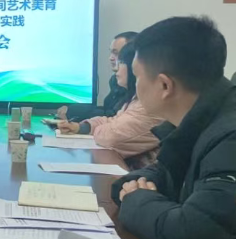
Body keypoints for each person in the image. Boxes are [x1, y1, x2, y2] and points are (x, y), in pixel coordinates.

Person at [111, 16, 236, 239]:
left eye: (137, 77)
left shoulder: (229, 136)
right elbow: (163, 172)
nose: (135, 88)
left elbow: (199, 236)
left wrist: (135, 199)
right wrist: (129, 188)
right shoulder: (198, 120)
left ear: (165, 85)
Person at [56, 41, 165, 169]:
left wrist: (100, 129)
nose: (116, 66)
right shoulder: (136, 99)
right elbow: (113, 121)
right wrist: (81, 127)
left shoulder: (151, 106)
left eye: (122, 61)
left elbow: (111, 137)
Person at [58, 31, 138, 122]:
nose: (111, 58)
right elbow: (107, 111)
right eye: (111, 52)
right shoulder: (115, 81)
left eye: (116, 53)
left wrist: (72, 111)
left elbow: (113, 117)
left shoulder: (136, 87)